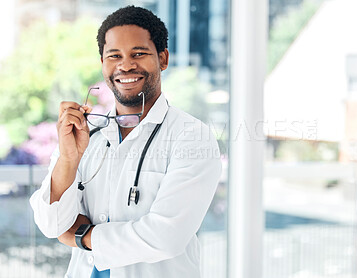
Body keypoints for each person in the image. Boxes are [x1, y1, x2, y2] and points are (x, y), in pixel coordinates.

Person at [30, 5, 221, 278]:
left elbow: (164, 237)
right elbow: (51, 225)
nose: (125, 65)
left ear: (163, 58)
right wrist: (69, 159)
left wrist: (83, 236)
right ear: (103, 63)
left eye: (138, 54)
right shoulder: (85, 134)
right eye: (114, 55)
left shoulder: (192, 137)